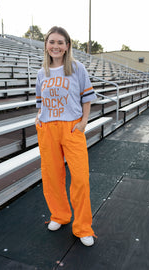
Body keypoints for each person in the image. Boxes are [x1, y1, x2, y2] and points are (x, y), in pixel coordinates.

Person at [35, 26, 97, 246]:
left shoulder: (77, 68)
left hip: (72, 128)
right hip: (47, 129)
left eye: (60, 42)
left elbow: (87, 98)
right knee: (52, 176)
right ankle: (59, 215)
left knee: (80, 178)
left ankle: (82, 227)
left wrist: (83, 122)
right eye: (52, 42)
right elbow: (39, 101)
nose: (56, 46)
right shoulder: (42, 73)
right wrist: (39, 118)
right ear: (46, 45)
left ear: (67, 45)